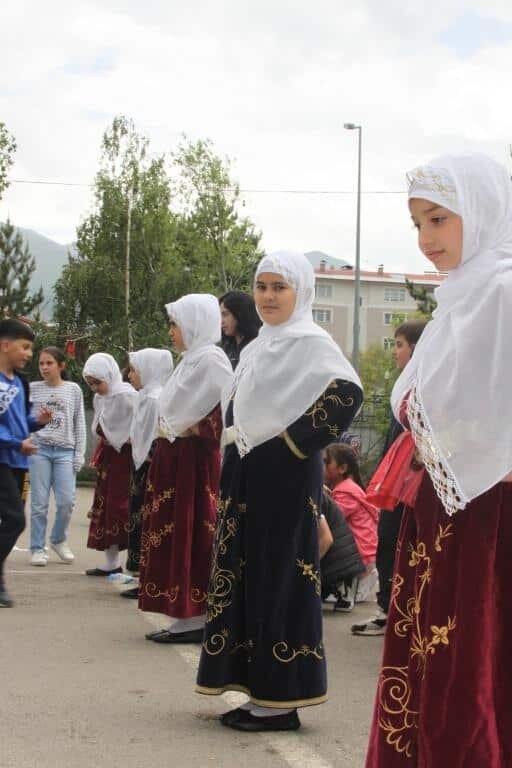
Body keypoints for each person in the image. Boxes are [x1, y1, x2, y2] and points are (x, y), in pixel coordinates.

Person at [366, 154, 512, 767]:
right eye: (416, 225)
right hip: (447, 501)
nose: (426, 239)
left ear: (478, 212)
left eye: (438, 220)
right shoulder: (462, 294)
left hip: (489, 505)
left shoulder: (501, 290)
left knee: (469, 657)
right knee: (436, 652)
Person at [196, 252, 363, 733]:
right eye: (261, 287)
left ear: (300, 292)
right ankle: (255, 690)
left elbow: (347, 393)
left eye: (279, 287)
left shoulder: (311, 342)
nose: (267, 297)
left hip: (284, 479)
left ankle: (281, 700)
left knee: (279, 576)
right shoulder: (259, 346)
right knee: (245, 575)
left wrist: (292, 443)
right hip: (247, 474)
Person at [139, 294, 232, 642]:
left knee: (192, 532)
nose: (171, 332)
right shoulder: (190, 362)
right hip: (173, 460)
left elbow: (227, 414)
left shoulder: (212, 362)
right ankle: (180, 613)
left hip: (194, 466)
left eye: (175, 324)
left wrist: (193, 428)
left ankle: (195, 616)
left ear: (194, 323)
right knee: (171, 531)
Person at [352, 320, 426, 636]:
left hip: (414, 481)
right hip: (398, 479)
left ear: (416, 348)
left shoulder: (424, 384)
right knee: (389, 540)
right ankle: (389, 609)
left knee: (401, 542)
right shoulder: (404, 385)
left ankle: (401, 612)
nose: (395, 352)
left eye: (399, 345)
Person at [0, 319, 51, 606]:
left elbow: (21, 422)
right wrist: (16, 443)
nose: (30, 354)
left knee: (12, 519)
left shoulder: (19, 382)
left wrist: (38, 422)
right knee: (15, 520)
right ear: (5, 345)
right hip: (3, 459)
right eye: (25, 347)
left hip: (20, 462)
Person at [121, 348, 173, 597]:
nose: (130, 375)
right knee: (137, 518)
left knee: (147, 520)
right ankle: (142, 577)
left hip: (151, 464)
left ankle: (149, 580)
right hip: (141, 462)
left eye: (134, 369)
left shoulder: (155, 398)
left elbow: (156, 435)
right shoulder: (145, 396)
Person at [28, 347, 86, 566]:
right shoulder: (32, 388)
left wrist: (78, 454)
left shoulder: (73, 390)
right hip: (39, 449)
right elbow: (24, 419)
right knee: (39, 503)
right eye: (41, 363)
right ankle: (36, 548)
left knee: (66, 502)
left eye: (49, 363)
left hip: (65, 451)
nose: (44, 367)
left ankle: (58, 540)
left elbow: (79, 423)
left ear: (61, 365)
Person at [82, 353, 137, 577]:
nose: (95, 388)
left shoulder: (127, 396)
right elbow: (100, 427)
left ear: (110, 375)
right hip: (109, 459)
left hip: (128, 459)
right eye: (90, 384)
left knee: (122, 507)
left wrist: (130, 439)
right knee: (105, 507)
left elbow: (141, 424)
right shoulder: (100, 399)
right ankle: (110, 561)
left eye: (98, 382)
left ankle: (134, 563)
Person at [323, 443, 379, 611]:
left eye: (326, 463)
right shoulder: (347, 488)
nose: (322, 467)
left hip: (361, 552)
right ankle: (351, 583)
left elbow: (333, 520)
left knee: (326, 539)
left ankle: (360, 578)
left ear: (342, 468)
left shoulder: (345, 492)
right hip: (365, 550)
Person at [319, 491, 365, 604]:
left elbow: (327, 539)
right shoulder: (320, 493)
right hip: (346, 558)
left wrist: (307, 567)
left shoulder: (312, 496)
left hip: (336, 564)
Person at [219, 291, 261, 369]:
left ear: (240, 314)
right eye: (220, 315)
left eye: (225, 314)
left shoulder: (257, 348)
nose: (221, 321)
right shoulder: (228, 347)